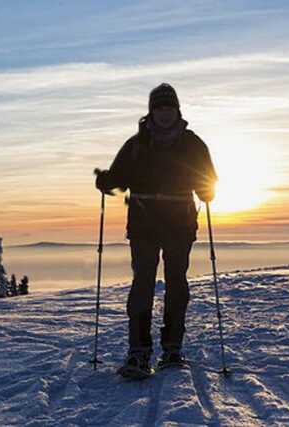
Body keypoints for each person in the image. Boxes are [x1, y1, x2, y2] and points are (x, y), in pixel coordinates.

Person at [95, 83, 218, 377]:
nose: (165, 114)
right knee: (144, 284)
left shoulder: (191, 144)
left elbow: (208, 183)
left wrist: (206, 190)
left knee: (175, 283)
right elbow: (119, 178)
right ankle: (140, 351)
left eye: (169, 108)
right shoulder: (138, 144)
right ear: (152, 111)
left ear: (178, 110)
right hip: (145, 226)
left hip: (177, 226)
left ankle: (170, 348)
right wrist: (107, 181)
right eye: (160, 108)